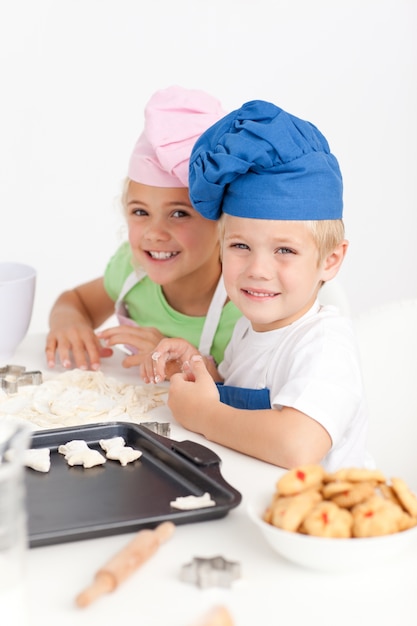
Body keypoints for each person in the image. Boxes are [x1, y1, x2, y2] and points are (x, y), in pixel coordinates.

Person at [141, 99, 369, 472]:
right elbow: (239, 391)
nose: (258, 270)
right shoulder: (249, 326)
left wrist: (203, 414)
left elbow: (297, 445)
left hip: (322, 524)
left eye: (284, 250)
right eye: (240, 246)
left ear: (330, 260)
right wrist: (200, 369)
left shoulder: (325, 345)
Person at [45, 86, 241, 373]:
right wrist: (69, 323)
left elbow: (257, 393)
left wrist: (180, 364)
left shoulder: (247, 300)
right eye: (140, 212)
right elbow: (75, 301)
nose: (154, 233)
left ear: (223, 221)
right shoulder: (131, 270)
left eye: (179, 213)